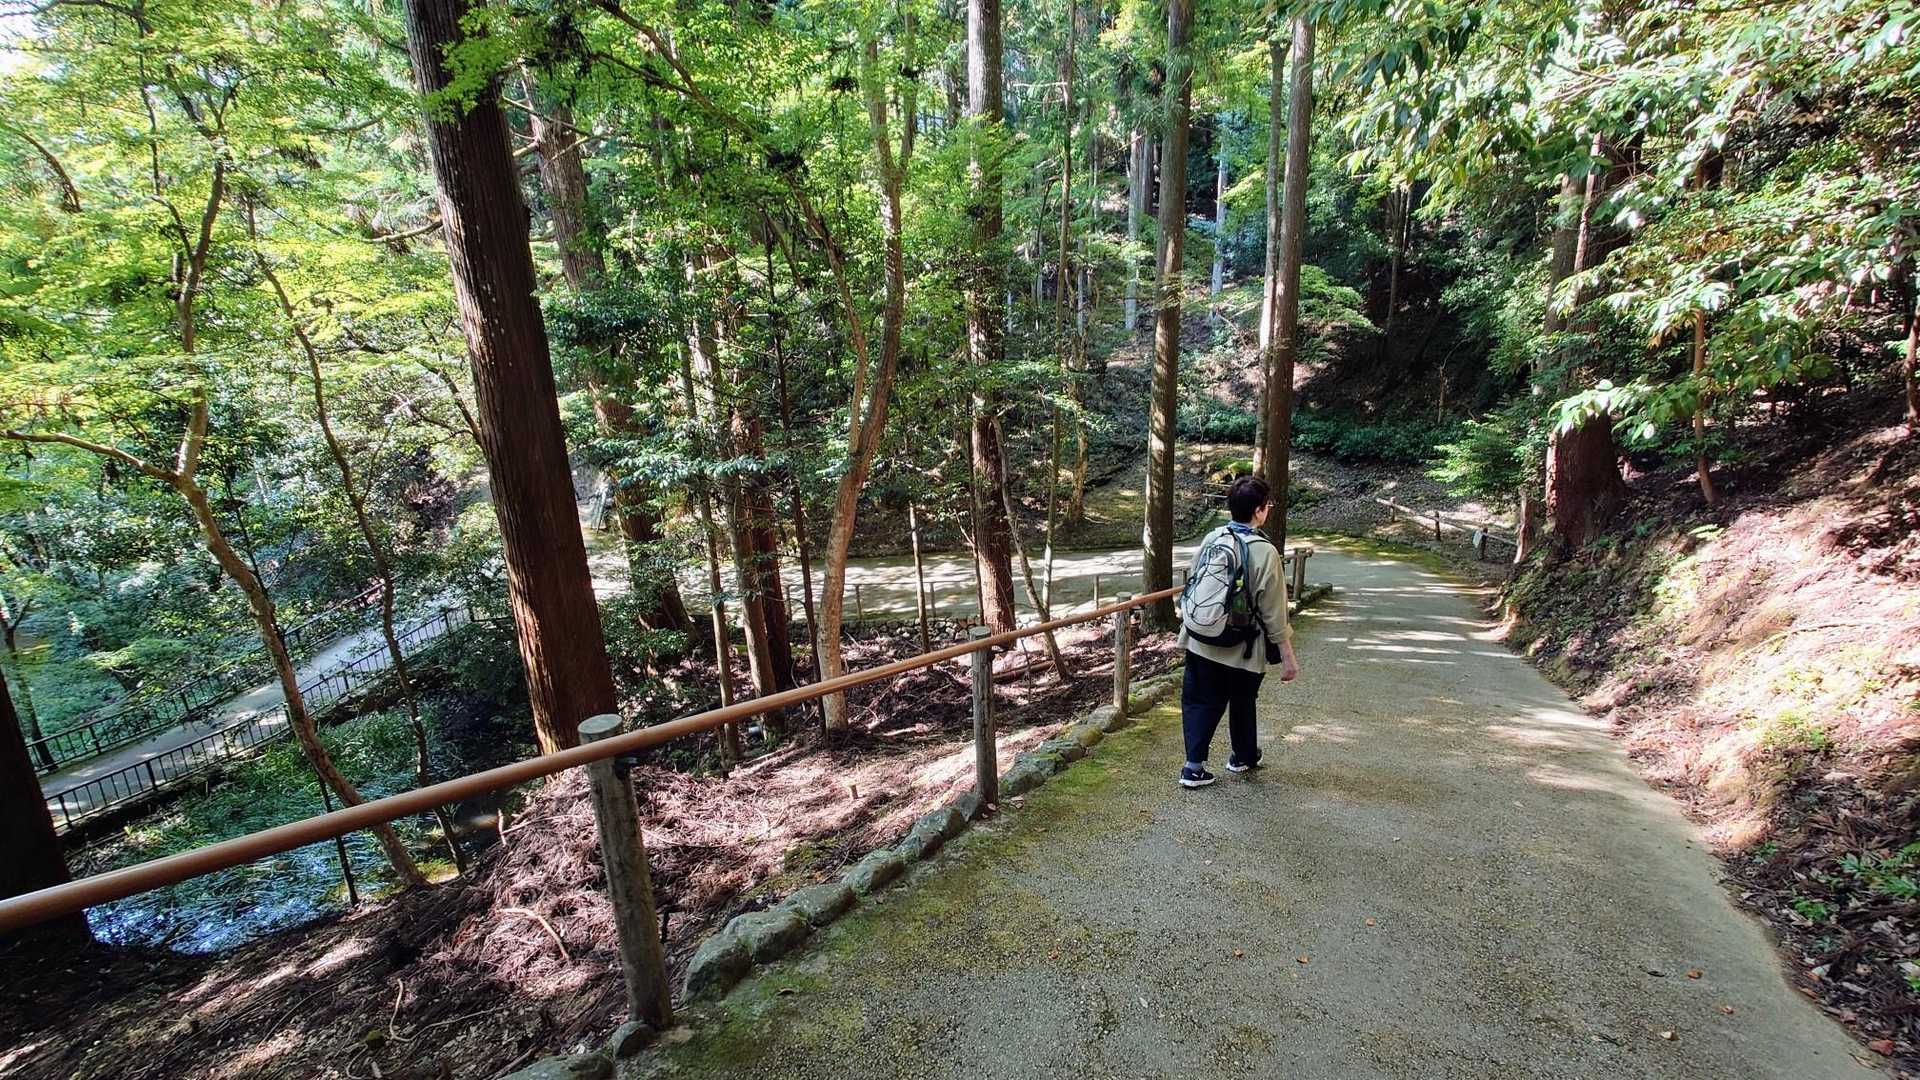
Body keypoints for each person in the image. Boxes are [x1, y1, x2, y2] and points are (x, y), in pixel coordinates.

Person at [1174, 475, 1299, 788]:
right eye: (1267, 505)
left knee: (1199, 700)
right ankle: (1242, 757)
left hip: (1201, 637)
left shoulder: (1214, 537)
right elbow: (1274, 611)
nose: (1268, 509)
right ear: (1258, 510)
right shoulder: (1265, 551)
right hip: (1242, 645)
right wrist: (1287, 657)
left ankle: (1193, 768)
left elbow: (1195, 581)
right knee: (1243, 699)